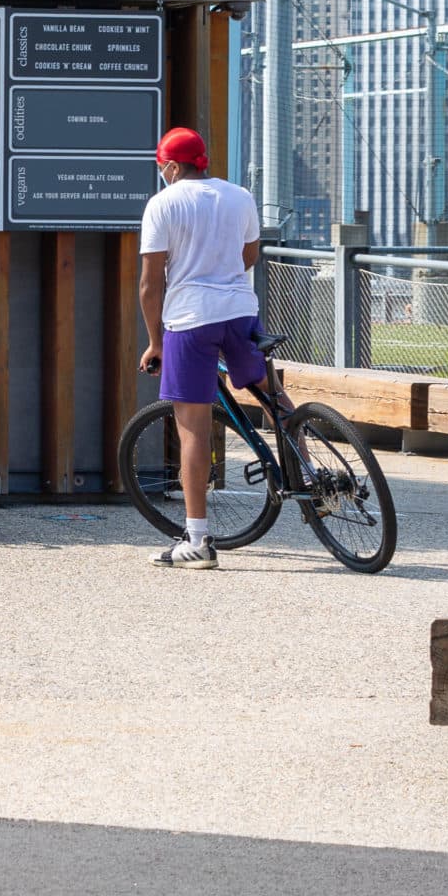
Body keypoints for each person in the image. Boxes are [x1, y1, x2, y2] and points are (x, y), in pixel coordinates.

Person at [136, 124, 264, 569]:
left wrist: (156, 342)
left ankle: (197, 539)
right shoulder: (239, 195)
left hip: (190, 320)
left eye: (162, 168)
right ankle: (312, 476)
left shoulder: (163, 204)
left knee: (193, 426)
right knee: (272, 394)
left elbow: (151, 283)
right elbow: (249, 256)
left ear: (171, 166)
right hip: (241, 309)